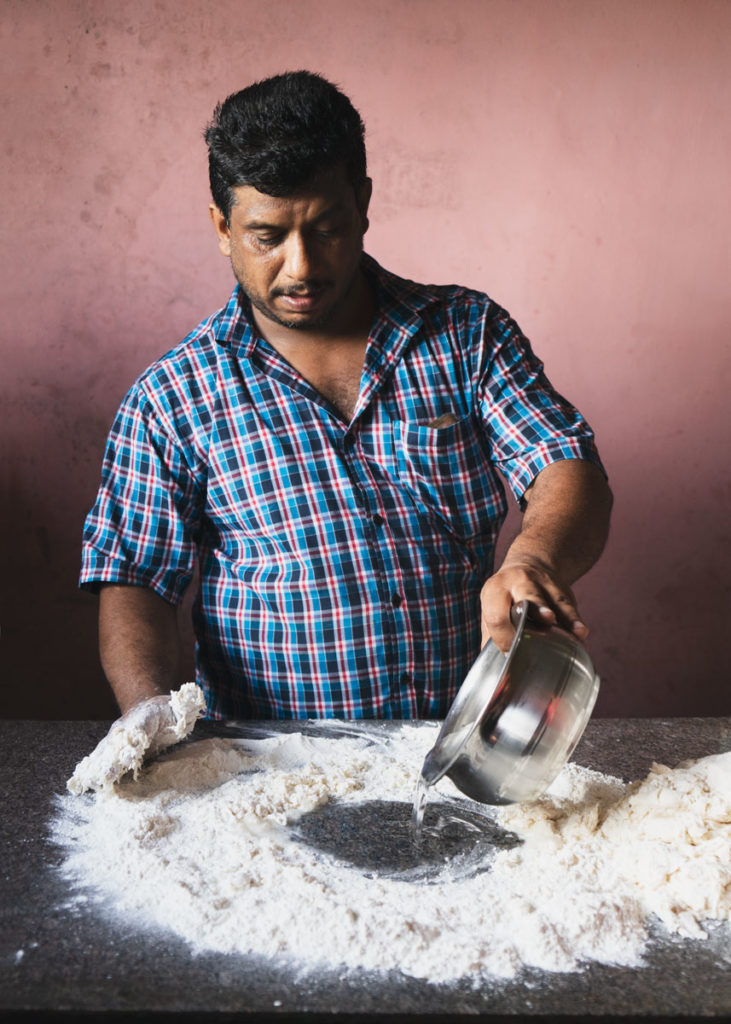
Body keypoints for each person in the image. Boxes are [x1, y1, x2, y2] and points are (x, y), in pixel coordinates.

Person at [80, 70, 612, 728]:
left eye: (326, 228)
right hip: (267, 772)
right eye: (266, 237)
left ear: (362, 203)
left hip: (461, 742)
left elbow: (561, 460)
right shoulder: (171, 397)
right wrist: (150, 719)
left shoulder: (465, 334)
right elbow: (135, 578)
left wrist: (532, 561)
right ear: (222, 226)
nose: (300, 267)